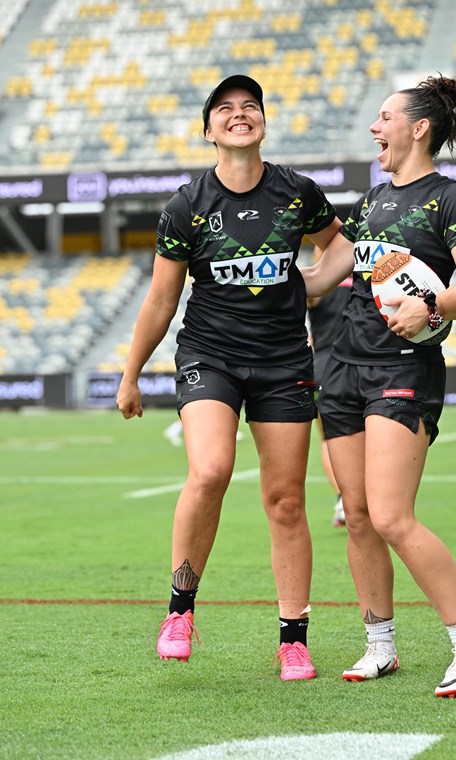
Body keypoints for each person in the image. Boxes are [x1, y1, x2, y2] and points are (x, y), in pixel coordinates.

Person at [116, 74, 341, 681]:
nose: (240, 115)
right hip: (209, 354)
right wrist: (130, 374)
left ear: (263, 123)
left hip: (283, 360)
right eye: (226, 109)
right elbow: (163, 299)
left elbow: (338, 247)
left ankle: (293, 638)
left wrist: (309, 285)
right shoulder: (186, 205)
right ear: (209, 130)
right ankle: (180, 609)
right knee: (210, 470)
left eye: (251, 107)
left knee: (287, 501)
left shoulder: (298, 192)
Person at [300, 74, 456, 698]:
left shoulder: (452, 199)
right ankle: (379, 644)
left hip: (401, 371)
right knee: (356, 515)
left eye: (384, 117)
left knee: (390, 515)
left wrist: (433, 309)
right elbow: (326, 274)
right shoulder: (369, 201)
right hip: (342, 370)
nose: (373, 128)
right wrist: (258, 282)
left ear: (418, 128)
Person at [306, 247, 352, 527]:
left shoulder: (316, 282)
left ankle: (342, 500)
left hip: (322, 365)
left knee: (327, 439)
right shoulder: (365, 278)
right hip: (357, 363)